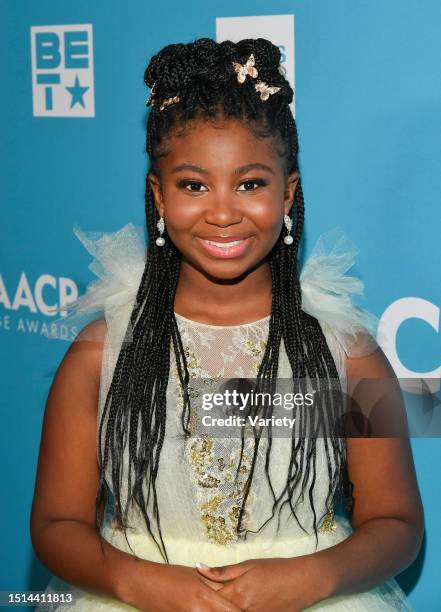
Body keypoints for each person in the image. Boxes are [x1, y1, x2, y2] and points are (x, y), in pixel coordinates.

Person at [31, 37, 424, 611]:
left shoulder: (344, 354)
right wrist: (145, 583)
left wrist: (311, 576)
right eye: (193, 185)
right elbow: (56, 523)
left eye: (250, 183)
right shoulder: (103, 354)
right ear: (158, 197)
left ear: (287, 194)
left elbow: (397, 521)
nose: (222, 210)